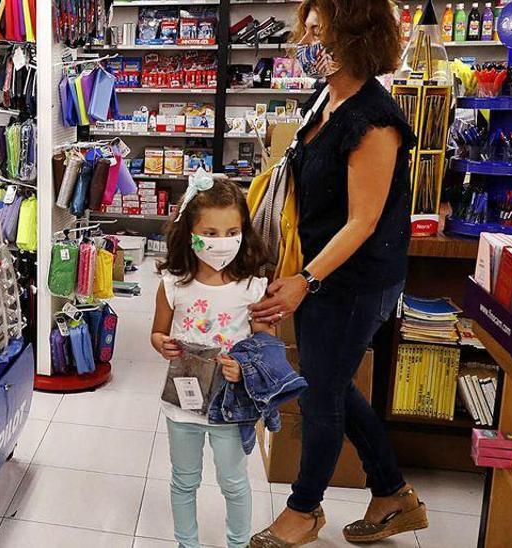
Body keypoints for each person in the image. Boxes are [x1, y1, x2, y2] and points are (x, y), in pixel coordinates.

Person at [248, 0, 427, 545]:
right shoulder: (326, 96)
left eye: (319, 31)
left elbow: (363, 221)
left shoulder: (372, 118)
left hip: (354, 279)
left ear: (355, 36)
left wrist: (307, 280)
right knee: (330, 383)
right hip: (321, 271)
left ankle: (304, 509)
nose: (307, 40)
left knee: (321, 391)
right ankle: (393, 494)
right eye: (308, 27)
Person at [151, 175, 270, 548]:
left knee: (234, 482)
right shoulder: (173, 283)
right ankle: (188, 543)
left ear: (244, 231)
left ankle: (237, 543)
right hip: (183, 404)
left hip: (231, 405)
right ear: (190, 232)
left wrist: (244, 366)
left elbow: (266, 345)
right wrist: (163, 344)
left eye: (231, 231)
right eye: (211, 232)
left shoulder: (253, 286)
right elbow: (157, 332)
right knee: (183, 480)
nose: (221, 242)